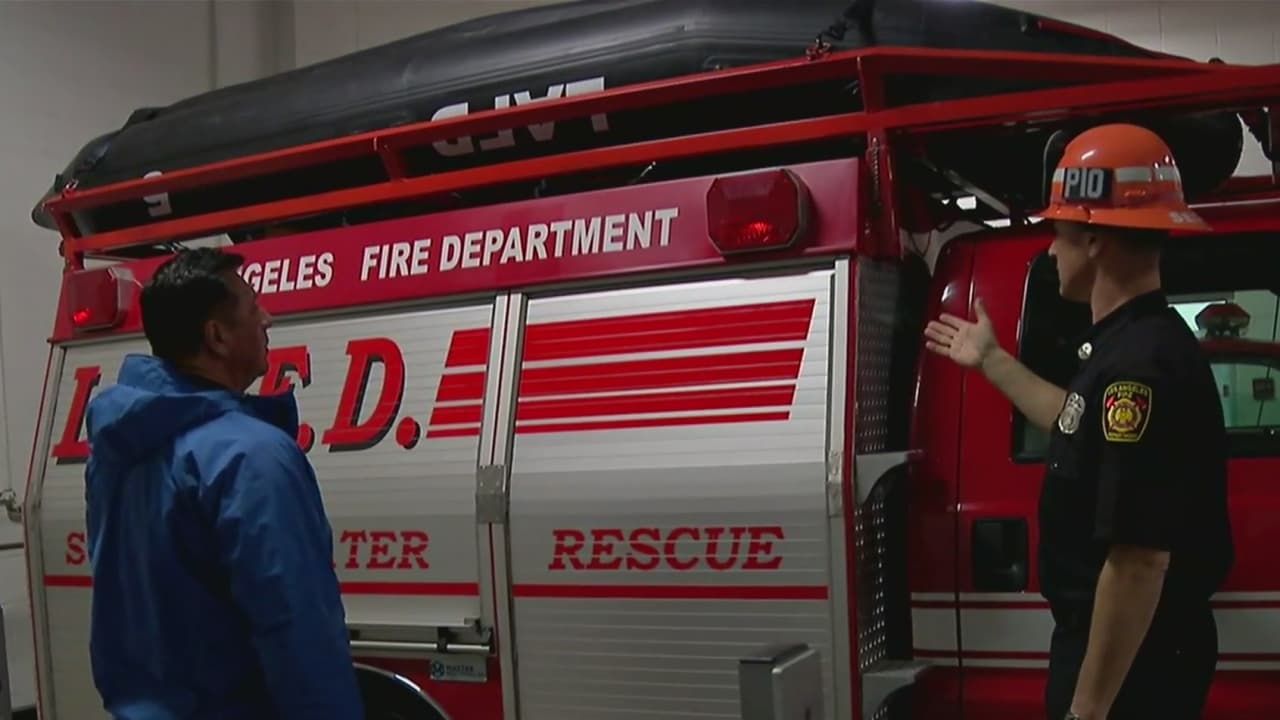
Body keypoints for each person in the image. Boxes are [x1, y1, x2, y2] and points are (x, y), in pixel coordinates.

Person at [924, 124, 1233, 720]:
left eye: (1058, 233)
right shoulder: (1136, 347)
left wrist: (1087, 712)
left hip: (1129, 666)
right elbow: (1075, 422)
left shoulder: (1137, 369)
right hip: (1132, 654)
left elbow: (1138, 563)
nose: (1050, 251)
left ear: (1093, 240)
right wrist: (991, 360)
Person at [83, 248, 365, 719]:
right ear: (217, 337)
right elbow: (297, 628)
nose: (268, 319)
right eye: (254, 308)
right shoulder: (252, 457)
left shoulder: (115, 449)